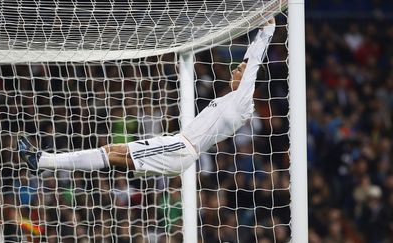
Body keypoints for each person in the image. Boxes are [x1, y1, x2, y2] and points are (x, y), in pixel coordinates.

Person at [19, 18, 276, 177]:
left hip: (181, 147)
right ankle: (42, 161)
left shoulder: (244, 99)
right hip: (179, 149)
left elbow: (252, 60)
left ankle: (42, 160)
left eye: (239, 70)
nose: (235, 69)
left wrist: (267, 29)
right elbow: (248, 64)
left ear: (250, 82)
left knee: (112, 151)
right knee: (112, 154)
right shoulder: (236, 100)